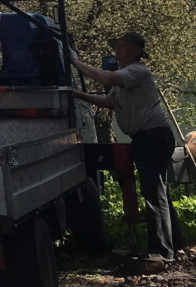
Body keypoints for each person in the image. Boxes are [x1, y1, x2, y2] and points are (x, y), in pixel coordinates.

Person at [72, 32, 178, 264]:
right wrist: (75, 94)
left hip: (153, 137)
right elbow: (108, 101)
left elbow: (106, 78)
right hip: (145, 138)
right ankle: (173, 242)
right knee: (157, 191)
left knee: (153, 194)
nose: (117, 50)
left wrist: (74, 61)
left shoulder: (136, 70)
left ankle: (162, 251)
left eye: (123, 46)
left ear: (137, 51)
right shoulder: (124, 76)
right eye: (116, 46)